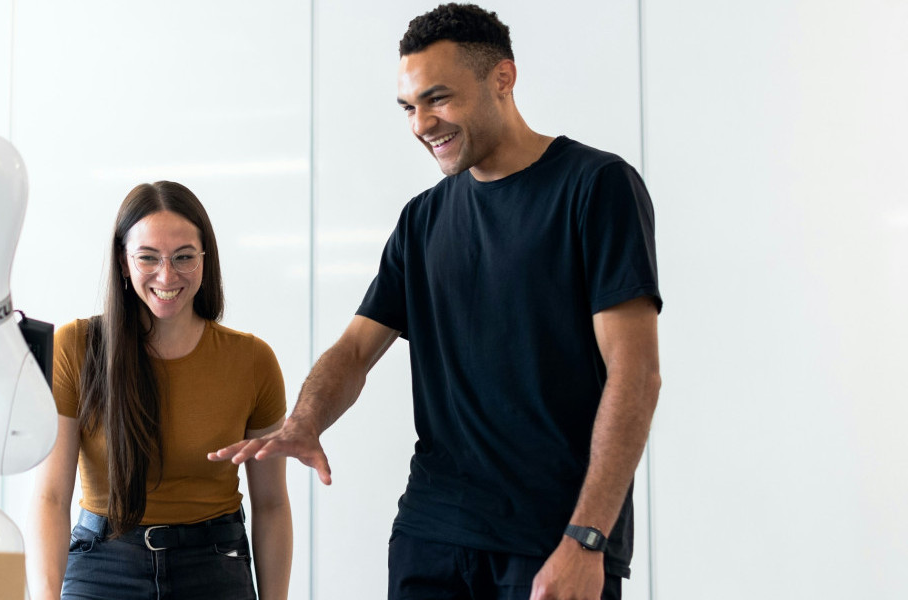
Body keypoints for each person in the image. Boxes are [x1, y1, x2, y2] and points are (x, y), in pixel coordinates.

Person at [211, 4, 661, 600]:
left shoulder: (595, 188)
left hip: (550, 539)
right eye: (408, 107)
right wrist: (305, 421)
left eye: (438, 98)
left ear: (503, 78)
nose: (421, 123)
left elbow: (637, 375)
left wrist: (587, 540)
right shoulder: (422, 220)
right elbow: (354, 350)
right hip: (432, 534)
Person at [28, 181, 292, 600]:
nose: (167, 275)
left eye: (184, 257)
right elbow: (52, 497)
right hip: (103, 564)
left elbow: (273, 504)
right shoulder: (75, 347)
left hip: (214, 563)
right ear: (123, 261)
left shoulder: (253, 360)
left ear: (205, 259)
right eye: (148, 257)